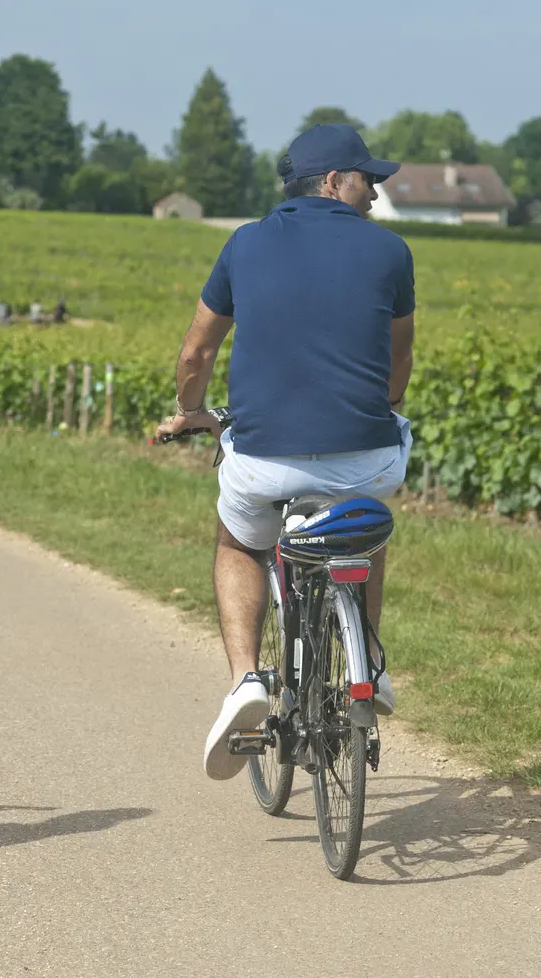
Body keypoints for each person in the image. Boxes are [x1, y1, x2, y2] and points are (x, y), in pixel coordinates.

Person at [153, 123, 416, 782]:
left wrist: (191, 410)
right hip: (363, 457)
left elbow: (196, 352)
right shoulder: (391, 253)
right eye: (368, 179)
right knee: (361, 525)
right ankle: (370, 665)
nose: (377, 193)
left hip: (265, 457)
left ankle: (245, 681)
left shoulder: (244, 246)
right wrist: (370, 411)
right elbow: (399, 359)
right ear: (333, 182)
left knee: (239, 543)